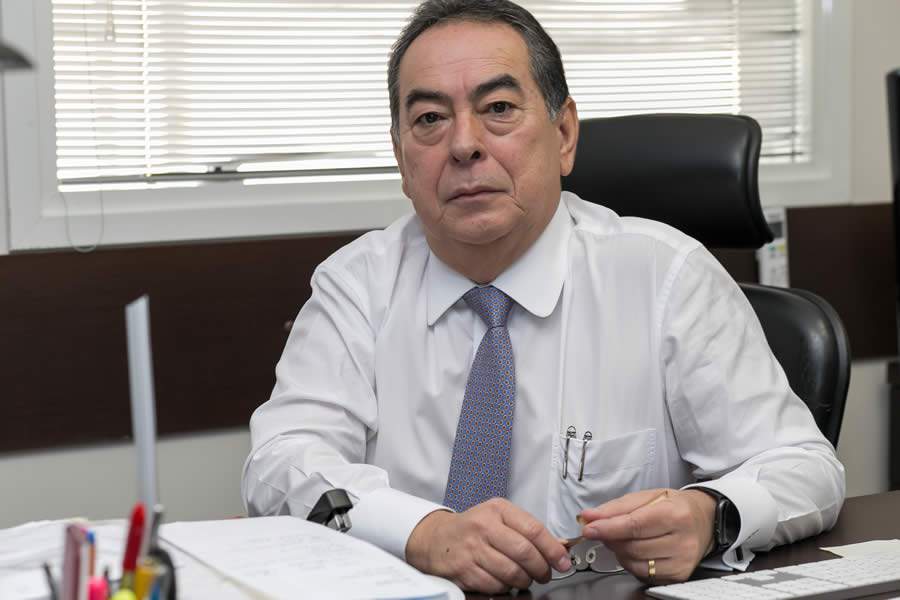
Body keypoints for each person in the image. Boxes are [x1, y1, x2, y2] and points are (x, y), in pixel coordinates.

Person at [242, 0, 845, 594]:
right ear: (401, 157)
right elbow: (281, 461)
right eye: (429, 119)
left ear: (563, 135)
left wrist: (712, 515)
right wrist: (422, 531)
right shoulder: (356, 286)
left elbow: (804, 467)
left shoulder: (666, 277)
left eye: (498, 108)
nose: (464, 144)